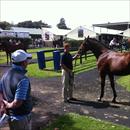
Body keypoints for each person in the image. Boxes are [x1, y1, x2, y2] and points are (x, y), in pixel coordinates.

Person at [0, 49, 33, 130]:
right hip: (21, 118)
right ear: (23, 62)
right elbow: (18, 103)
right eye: (26, 60)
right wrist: (8, 105)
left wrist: (2, 105)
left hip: (11, 116)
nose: (27, 62)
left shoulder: (5, 75)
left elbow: (0, 92)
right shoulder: (23, 79)